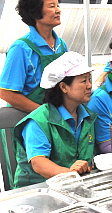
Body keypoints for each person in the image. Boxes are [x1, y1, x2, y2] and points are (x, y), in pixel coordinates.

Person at [13, 52, 96, 188]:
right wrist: (70, 174)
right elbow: (39, 163)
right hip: (39, 190)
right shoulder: (39, 121)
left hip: (75, 187)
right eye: (83, 80)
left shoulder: (87, 116)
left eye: (89, 79)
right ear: (63, 87)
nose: (89, 86)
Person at [0, 0, 68, 112]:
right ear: (35, 12)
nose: (58, 10)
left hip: (57, 118)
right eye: (52, 6)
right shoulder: (21, 48)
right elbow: (5, 92)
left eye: (58, 5)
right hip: (28, 121)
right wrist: (43, 113)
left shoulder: (62, 46)